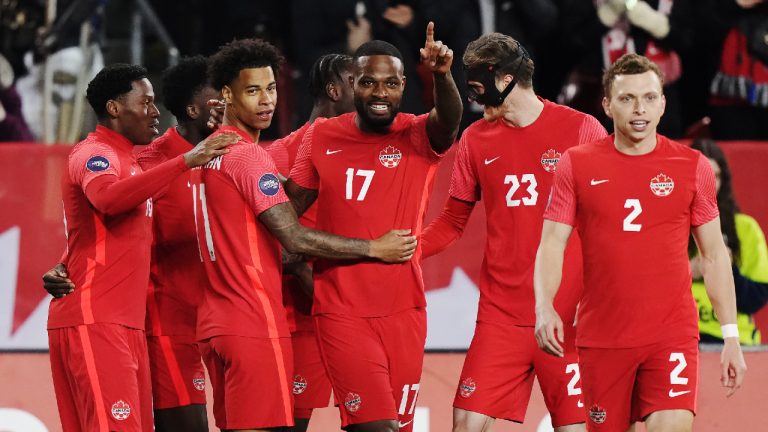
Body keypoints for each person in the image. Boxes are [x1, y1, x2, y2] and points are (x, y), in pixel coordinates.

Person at [196, 38, 416, 432]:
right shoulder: (258, 155)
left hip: (225, 319)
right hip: (267, 319)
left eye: (272, 88)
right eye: (253, 91)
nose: (266, 101)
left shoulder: (213, 151)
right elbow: (292, 239)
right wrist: (375, 248)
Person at [534, 53, 747, 432]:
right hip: (603, 338)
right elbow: (552, 243)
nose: (639, 109)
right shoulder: (576, 163)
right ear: (606, 105)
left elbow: (714, 255)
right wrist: (544, 306)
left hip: (672, 334)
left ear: (663, 103)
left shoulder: (691, 165)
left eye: (650, 98)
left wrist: (730, 334)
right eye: (627, 98)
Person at [419, 33, 607, 432]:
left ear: (504, 79)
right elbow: (452, 222)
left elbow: (608, 220)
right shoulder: (474, 140)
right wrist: (406, 250)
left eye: (476, 87)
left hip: (567, 319)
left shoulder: (582, 130)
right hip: (501, 318)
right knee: (466, 424)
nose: (473, 97)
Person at [286, 22, 462, 432]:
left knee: (397, 426)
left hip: (406, 312)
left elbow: (449, 121)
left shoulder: (418, 135)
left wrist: (441, 75)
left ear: (403, 85)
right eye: (368, 83)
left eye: (390, 84)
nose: (379, 94)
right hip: (341, 311)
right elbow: (288, 220)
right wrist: (368, 248)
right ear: (352, 84)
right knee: (375, 427)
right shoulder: (321, 137)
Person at [47, 63, 234, 432]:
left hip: (124, 322)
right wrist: (186, 161)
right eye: (145, 103)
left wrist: (64, 261)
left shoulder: (132, 160)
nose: (154, 112)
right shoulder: (94, 154)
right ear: (114, 108)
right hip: (96, 317)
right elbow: (107, 199)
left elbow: (94, 234)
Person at [262, 53, 356, 432]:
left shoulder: (369, 153)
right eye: (359, 82)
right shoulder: (279, 155)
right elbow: (276, 247)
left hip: (358, 318)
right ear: (334, 90)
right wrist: (318, 289)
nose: (370, 91)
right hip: (302, 322)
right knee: (290, 427)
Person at [689, 138, 768, 345]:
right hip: (683, 336)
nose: (710, 183)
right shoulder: (671, 225)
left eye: (715, 176)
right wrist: (689, 270)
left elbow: (754, 300)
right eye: (702, 175)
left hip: (733, 339)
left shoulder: (745, 228)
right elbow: (648, 297)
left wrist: (725, 267)